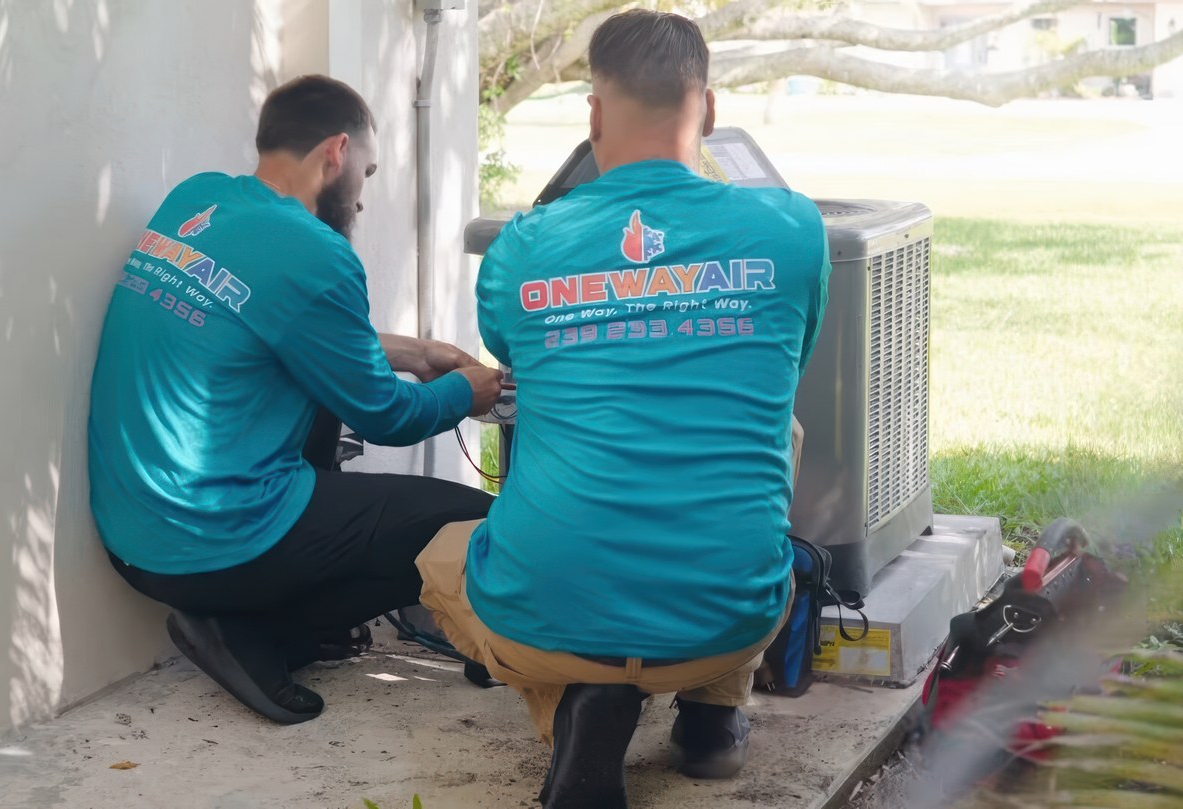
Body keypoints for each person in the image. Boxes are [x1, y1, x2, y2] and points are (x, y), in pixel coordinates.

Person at [417, 10, 830, 807]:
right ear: (707, 111)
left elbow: (521, 374)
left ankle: (578, 707)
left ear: (594, 115)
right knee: (782, 430)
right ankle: (714, 717)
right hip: (730, 620)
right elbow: (776, 374)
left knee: (440, 557)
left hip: (548, 621)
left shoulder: (525, 246)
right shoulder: (793, 231)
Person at [88, 75, 503, 726]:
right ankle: (257, 635)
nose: (361, 199)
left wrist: (415, 353)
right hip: (213, 546)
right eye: (366, 172)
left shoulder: (197, 199)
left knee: (319, 412)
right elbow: (388, 416)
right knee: (476, 524)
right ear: (336, 153)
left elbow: (270, 326)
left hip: (132, 538)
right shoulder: (319, 254)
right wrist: (463, 392)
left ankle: (261, 619)